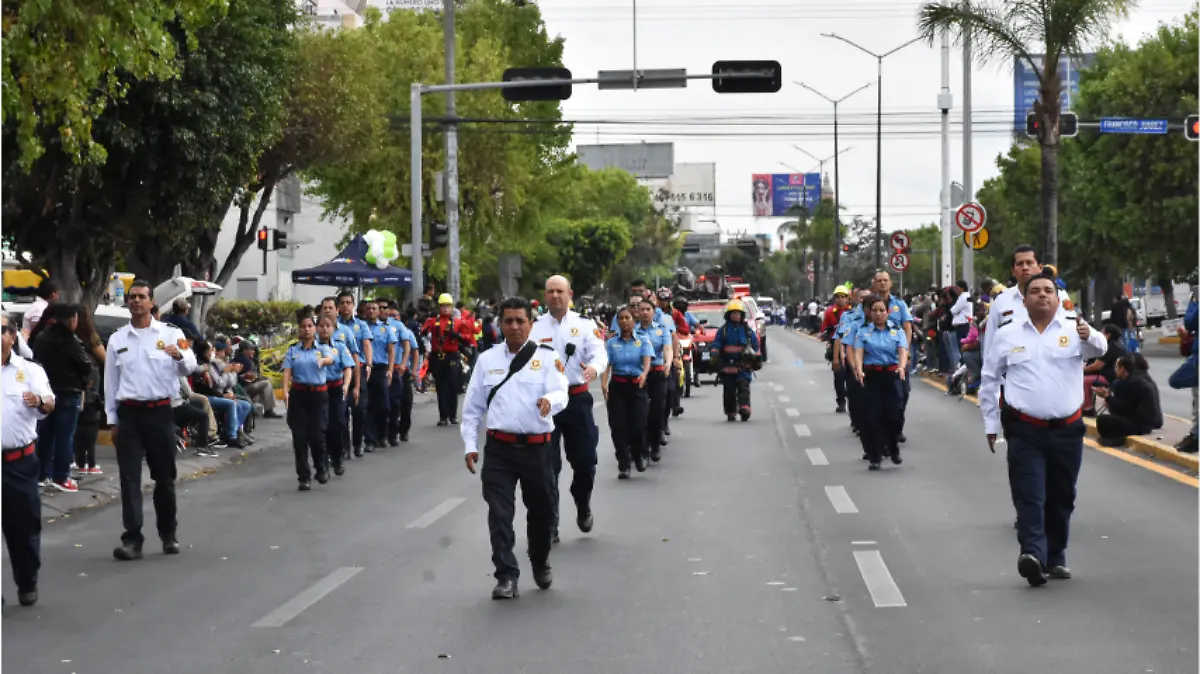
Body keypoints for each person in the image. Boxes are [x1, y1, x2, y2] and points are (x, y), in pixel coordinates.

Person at [980, 270, 1106, 586]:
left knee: (1062, 495)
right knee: (1030, 494)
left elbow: (1100, 349)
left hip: (1068, 429)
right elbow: (990, 378)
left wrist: (1087, 332)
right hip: (1025, 429)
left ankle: (1056, 557)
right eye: (1035, 291)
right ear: (1025, 300)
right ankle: (1032, 554)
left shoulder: (1075, 330)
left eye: (1048, 290)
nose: (1042, 295)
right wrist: (991, 422)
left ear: (1058, 297)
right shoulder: (1008, 335)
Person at [460, 296, 569, 600]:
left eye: (520, 320)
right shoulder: (487, 360)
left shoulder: (547, 357)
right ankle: (506, 575)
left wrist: (551, 402)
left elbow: (562, 391)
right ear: (500, 324)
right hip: (500, 450)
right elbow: (472, 409)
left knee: (543, 513)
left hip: (538, 450)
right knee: (499, 514)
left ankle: (540, 558)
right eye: (508, 321)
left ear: (531, 324)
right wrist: (470, 445)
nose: (514, 326)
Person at [104, 279, 197, 561]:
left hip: (159, 412)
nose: (136, 301)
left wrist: (178, 354)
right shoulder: (118, 339)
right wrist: (112, 419)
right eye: (132, 297)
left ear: (152, 302)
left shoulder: (170, 333)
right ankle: (132, 539)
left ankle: (168, 533)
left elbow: (190, 363)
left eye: (141, 297)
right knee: (129, 477)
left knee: (164, 477)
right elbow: (111, 382)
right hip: (130, 414)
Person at [531, 275, 607, 541]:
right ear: (545, 295)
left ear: (570, 293)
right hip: (547, 404)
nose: (555, 296)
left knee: (585, 462)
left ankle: (582, 501)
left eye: (560, 291)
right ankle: (551, 521)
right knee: (547, 467)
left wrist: (594, 369)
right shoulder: (534, 327)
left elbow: (600, 353)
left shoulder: (584, 326)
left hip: (577, 399)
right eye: (550, 291)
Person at [2, 312, 54, 606]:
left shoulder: (30, 371)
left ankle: (26, 581)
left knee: (23, 526)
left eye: (0, 331)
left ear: (12, 336)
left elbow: (50, 402)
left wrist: (39, 402)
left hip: (18, 462)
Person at [31, 303, 92, 492]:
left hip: (45, 392)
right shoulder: (71, 341)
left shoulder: (41, 337)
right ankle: (61, 475)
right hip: (68, 392)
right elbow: (86, 365)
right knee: (65, 437)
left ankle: (42, 474)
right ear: (71, 320)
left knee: (45, 435)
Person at [851, 295, 909, 469]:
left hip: (891, 376)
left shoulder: (896, 331)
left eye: (881, 310)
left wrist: (902, 366)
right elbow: (859, 352)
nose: (878, 314)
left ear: (887, 312)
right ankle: (875, 456)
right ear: (870, 313)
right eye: (874, 310)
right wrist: (859, 370)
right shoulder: (864, 332)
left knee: (894, 415)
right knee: (873, 417)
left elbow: (902, 350)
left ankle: (893, 446)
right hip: (872, 377)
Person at [282, 308, 336, 490]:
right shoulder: (292, 351)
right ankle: (303, 476)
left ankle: (321, 468)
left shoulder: (322, 347)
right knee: (299, 437)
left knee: (317, 434)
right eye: (303, 326)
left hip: (318, 395)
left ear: (315, 329)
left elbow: (330, 359)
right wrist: (285, 391)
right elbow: (287, 372)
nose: (306, 329)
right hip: (299, 395)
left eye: (310, 326)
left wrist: (322, 361)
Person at [601, 306, 653, 479]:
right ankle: (623, 464)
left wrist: (644, 374)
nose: (624, 321)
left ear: (634, 320)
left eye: (627, 318)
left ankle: (638, 456)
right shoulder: (611, 343)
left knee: (638, 425)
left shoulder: (643, 340)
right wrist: (604, 384)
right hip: (618, 387)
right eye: (621, 318)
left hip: (637, 386)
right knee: (618, 427)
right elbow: (606, 365)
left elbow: (646, 361)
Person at [1093, 353, 1163, 446]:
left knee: (1102, 420)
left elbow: (1122, 408)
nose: (1115, 370)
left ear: (1122, 369)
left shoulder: (1130, 382)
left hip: (1141, 424)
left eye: (1116, 367)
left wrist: (1108, 398)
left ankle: (1116, 439)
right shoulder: (1142, 378)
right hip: (1149, 421)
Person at [710, 297, 761, 422]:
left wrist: (758, 359)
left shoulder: (748, 331)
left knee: (744, 387)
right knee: (729, 391)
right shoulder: (723, 331)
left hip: (743, 367)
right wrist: (714, 354)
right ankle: (730, 411)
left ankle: (745, 408)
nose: (736, 316)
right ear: (728, 315)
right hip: (727, 368)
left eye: (738, 313)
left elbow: (755, 346)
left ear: (742, 315)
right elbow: (716, 344)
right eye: (733, 313)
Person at [192, 341, 250, 450]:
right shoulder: (203, 366)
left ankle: (235, 430)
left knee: (246, 405)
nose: (212, 353)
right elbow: (216, 384)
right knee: (231, 404)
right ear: (205, 352)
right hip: (208, 395)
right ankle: (231, 435)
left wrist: (232, 371)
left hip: (219, 393)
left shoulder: (213, 364)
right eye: (211, 350)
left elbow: (232, 383)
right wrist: (225, 374)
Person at [421, 294, 468, 426]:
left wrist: (457, 335)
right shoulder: (432, 321)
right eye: (443, 306)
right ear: (439, 307)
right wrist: (424, 331)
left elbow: (468, 338)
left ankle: (452, 415)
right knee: (440, 386)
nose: (445, 308)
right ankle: (443, 416)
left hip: (452, 355)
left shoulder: (458, 322)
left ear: (451, 307)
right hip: (438, 356)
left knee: (453, 385)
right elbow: (423, 331)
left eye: (448, 306)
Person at [635, 297, 673, 460]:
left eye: (648, 310)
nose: (644, 313)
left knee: (657, 411)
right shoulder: (633, 330)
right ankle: (643, 447)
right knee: (641, 413)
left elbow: (667, 347)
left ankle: (655, 445)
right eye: (641, 309)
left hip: (658, 373)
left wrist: (669, 362)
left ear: (653, 312)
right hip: (639, 375)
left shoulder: (661, 329)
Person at [335, 292, 372, 457]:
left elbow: (366, 345)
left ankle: (358, 442)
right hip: (339, 371)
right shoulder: (333, 326)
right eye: (342, 303)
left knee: (359, 409)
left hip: (358, 369)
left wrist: (369, 364)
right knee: (341, 411)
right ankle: (344, 446)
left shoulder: (361, 325)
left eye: (349, 302)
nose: (346, 306)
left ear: (353, 305)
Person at [317, 314, 354, 476]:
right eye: (321, 325)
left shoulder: (339, 347)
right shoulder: (312, 347)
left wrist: (346, 385)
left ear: (333, 329)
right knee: (320, 427)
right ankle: (322, 464)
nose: (325, 329)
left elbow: (348, 367)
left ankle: (337, 457)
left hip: (336, 389)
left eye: (328, 326)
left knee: (337, 425)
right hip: (318, 391)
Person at [73, 305, 107, 475]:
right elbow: (105, 358)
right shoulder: (91, 336)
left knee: (77, 421)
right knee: (90, 420)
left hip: (72, 383)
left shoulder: (67, 336)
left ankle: (77, 460)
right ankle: (89, 462)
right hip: (90, 382)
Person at [363, 299, 396, 448]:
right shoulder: (360, 327)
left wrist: (390, 370)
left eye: (374, 309)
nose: (371, 311)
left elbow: (390, 350)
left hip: (381, 369)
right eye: (369, 309)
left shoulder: (385, 329)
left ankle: (383, 435)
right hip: (365, 369)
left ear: (379, 311)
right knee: (367, 404)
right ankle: (370, 439)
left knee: (384, 405)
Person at [385, 301, 417, 444]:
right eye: (389, 315)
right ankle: (389, 432)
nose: (392, 318)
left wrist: (414, 369)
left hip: (402, 370)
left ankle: (403, 430)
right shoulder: (383, 328)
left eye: (394, 315)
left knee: (405, 403)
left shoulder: (406, 331)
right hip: (387, 370)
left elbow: (414, 351)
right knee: (389, 403)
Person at [1082, 324, 1125, 414]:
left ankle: (1087, 408)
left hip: (1108, 377)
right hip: (1112, 376)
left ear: (1108, 334)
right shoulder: (1118, 345)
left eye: (1102, 332)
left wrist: (1079, 370)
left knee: (1084, 380)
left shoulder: (1109, 347)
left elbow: (1096, 366)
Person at [233, 342, 280, 419]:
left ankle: (263, 408)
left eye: (253, 350)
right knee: (266, 384)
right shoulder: (244, 360)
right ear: (244, 350)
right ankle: (269, 410)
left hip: (241, 388)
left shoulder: (242, 358)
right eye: (251, 349)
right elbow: (246, 379)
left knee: (264, 383)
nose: (253, 351)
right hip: (242, 389)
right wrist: (256, 378)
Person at [822, 287, 851, 413]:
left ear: (848, 298)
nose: (840, 299)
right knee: (838, 376)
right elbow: (824, 328)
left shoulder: (853, 312)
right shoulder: (829, 312)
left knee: (851, 376)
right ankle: (841, 401)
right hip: (836, 346)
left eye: (843, 296)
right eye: (838, 296)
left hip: (851, 346)